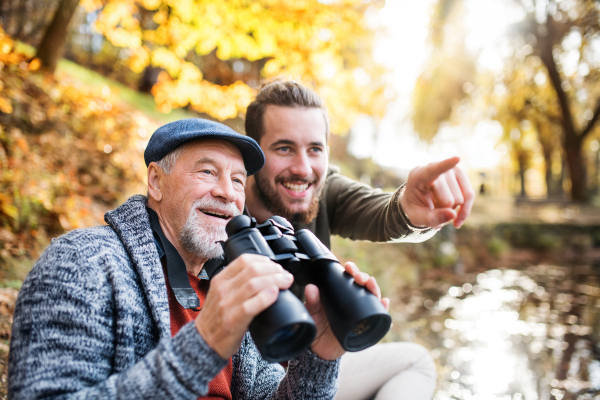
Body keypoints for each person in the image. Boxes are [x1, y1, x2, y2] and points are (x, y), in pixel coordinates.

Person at [8, 118, 388, 399]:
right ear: (155, 182)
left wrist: (319, 360)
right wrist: (204, 343)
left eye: (238, 180)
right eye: (208, 171)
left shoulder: (232, 281)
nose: (227, 193)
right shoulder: (84, 262)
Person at [243, 80, 475, 400]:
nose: (303, 168)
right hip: (241, 378)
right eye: (284, 148)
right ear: (253, 154)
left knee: (415, 363)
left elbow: (382, 213)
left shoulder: (323, 192)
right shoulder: (220, 204)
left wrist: (410, 206)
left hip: (308, 367)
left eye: (315, 149)